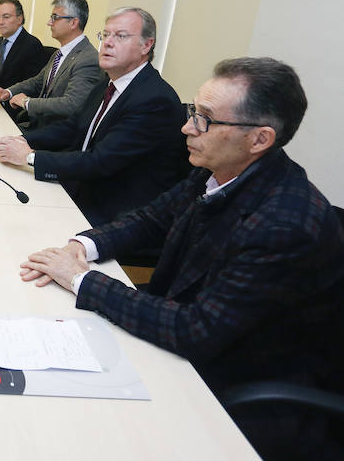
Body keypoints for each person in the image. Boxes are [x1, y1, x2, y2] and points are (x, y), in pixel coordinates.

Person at [21, 58, 344, 460]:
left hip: (235, 389)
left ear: (259, 139)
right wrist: (81, 248)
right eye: (194, 112)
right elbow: (152, 218)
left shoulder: (284, 224)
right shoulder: (218, 168)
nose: (187, 128)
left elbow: (196, 330)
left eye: (205, 120)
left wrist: (82, 280)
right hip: (186, 338)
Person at [0, 7, 188, 227]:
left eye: (121, 36)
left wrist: (30, 157)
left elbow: (100, 161)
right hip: (85, 185)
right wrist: (24, 140)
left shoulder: (154, 99)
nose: (107, 42)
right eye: (105, 35)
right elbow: (73, 126)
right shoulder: (109, 81)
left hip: (118, 213)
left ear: (146, 45)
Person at [0, 0, 103, 129]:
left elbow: (72, 104)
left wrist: (27, 103)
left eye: (55, 18)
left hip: (56, 134)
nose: (49, 22)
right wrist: (9, 92)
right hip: (38, 124)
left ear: (73, 22)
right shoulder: (59, 53)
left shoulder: (87, 59)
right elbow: (38, 81)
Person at [0, 0, 50, 88]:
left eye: (6, 17)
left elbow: (33, 84)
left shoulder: (32, 45)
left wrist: (7, 94)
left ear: (19, 19)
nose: (0, 22)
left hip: (15, 99)